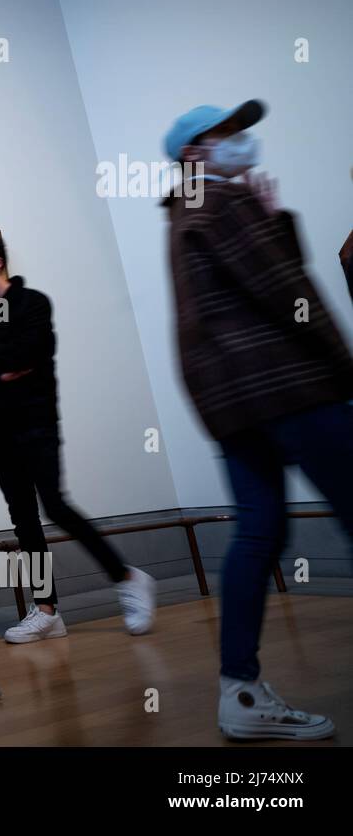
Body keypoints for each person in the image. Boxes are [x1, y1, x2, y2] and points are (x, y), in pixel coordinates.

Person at [163, 99, 353, 741]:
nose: (242, 140)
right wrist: (344, 366)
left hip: (232, 403)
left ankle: (239, 693)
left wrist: (273, 222)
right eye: (227, 133)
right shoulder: (220, 202)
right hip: (288, 386)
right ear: (195, 152)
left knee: (259, 534)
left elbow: (246, 284)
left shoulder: (185, 211)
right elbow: (288, 293)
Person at [0, 233, 156, 642]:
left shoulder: (33, 303)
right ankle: (47, 610)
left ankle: (128, 578)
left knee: (56, 506)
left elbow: (31, 351)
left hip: (36, 423)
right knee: (23, 519)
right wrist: (0, 366)